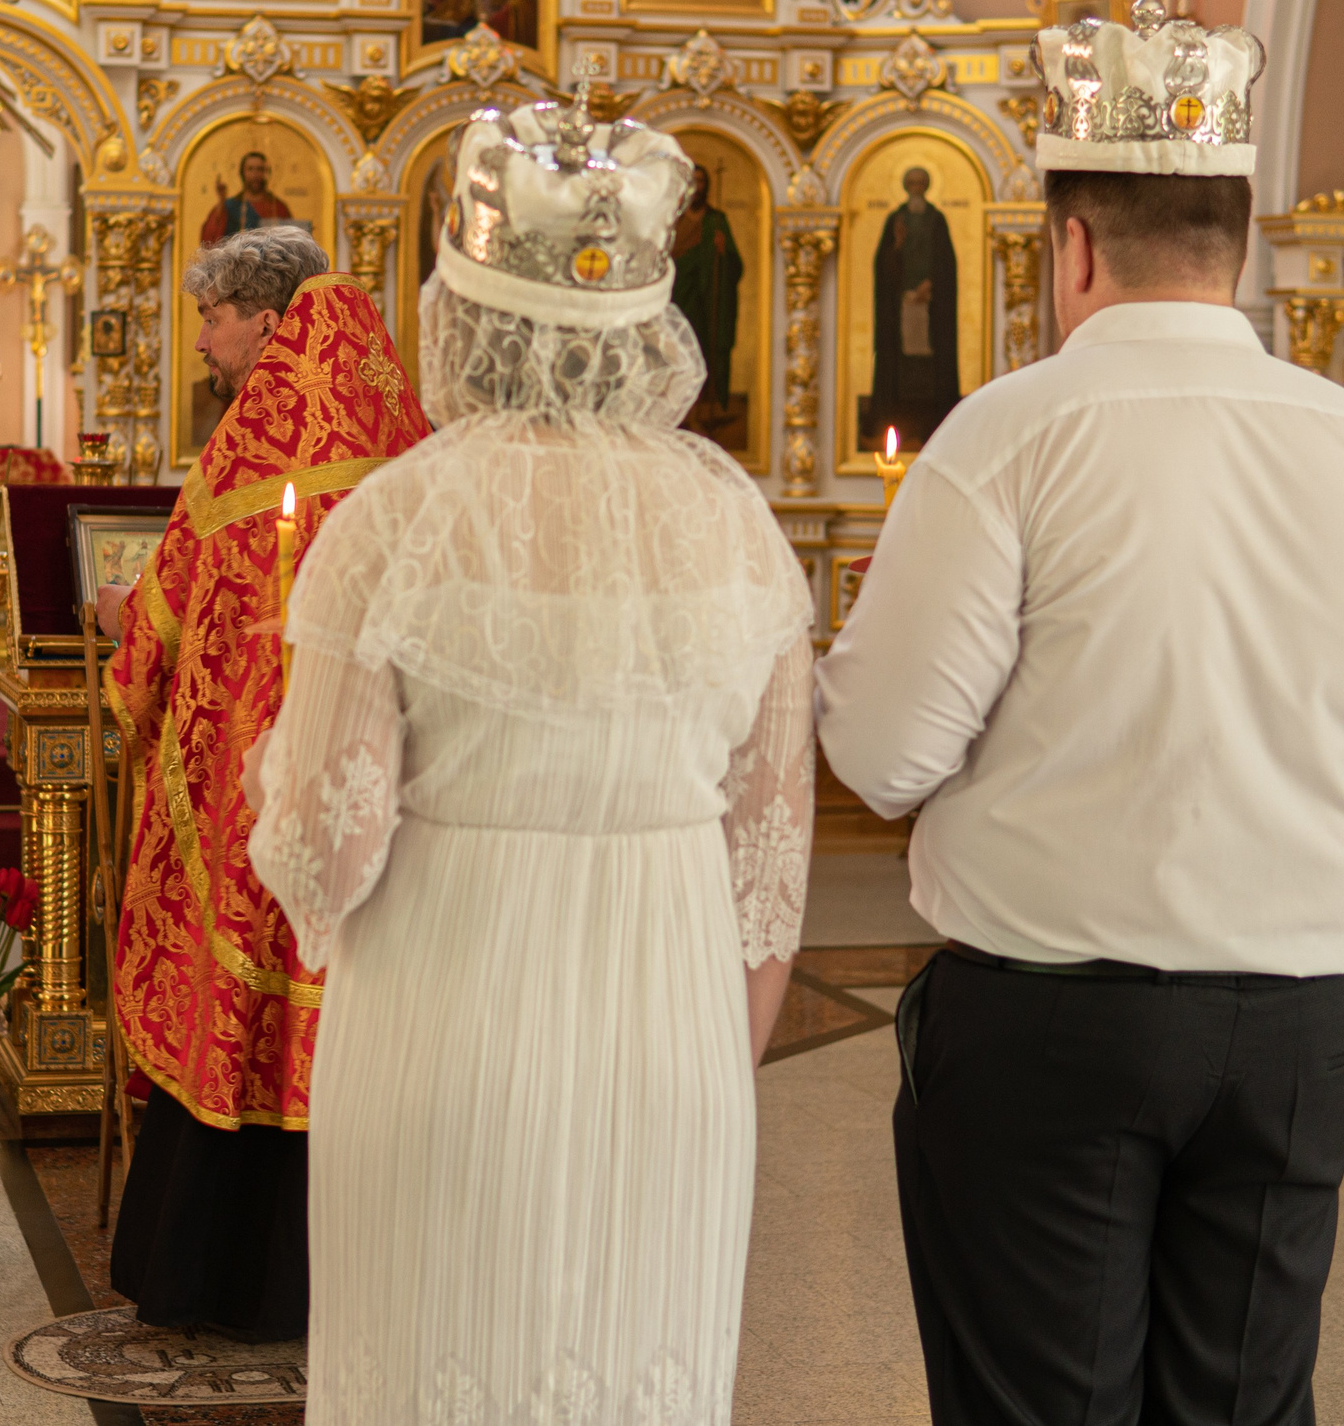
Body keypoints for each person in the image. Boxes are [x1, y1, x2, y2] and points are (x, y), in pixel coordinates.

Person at [816, 0, 1344, 1426]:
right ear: (1237, 247)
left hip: (1052, 1023)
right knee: (1246, 1407)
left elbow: (882, 751)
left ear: (1071, 247)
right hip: (1296, 1023)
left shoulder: (1008, 437)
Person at [242, 99, 813, 1422]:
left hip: (448, 1015)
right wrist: (704, 1066)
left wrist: (281, 765)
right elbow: (772, 863)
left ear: (466, 316)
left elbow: (324, 847)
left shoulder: (389, 520)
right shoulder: (738, 523)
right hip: (676, 1036)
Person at [95, 227, 429, 1343]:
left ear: (270, 320)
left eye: (216, 318)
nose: (204, 344)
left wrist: (119, 631)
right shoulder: (410, 448)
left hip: (256, 797)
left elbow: (170, 613)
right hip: (386, 804)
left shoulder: (250, 453)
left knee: (243, 1000)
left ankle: (221, 1276)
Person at [865, 164, 959, 450]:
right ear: (906, 187)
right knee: (901, 363)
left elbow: (947, 263)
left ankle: (931, 427)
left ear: (927, 186)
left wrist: (932, 285)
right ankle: (901, 423)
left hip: (930, 306)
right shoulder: (896, 220)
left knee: (928, 364)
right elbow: (882, 265)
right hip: (902, 306)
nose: (916, 188)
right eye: (912, 183)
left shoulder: (937, 220)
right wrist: (896, 246)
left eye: (921, 183)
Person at [668, 160, 742, 422]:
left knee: (710, 350)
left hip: (709, 303)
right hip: (681, 301)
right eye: (693, 182)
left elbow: (735, 264)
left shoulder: (716, 221)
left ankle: (710, 407)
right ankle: (682, 410)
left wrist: (722, 252)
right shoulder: (673, 221)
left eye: (701, 182)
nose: (697, 188)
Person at [199, 151, 294, 246]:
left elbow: (291, 242)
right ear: (242, 173)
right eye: (250, 169)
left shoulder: (278, 207)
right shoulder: (230, 206)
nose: (255, 174)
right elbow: (209, 239)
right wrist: (221, 200)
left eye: (260, 169)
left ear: (266, 173)